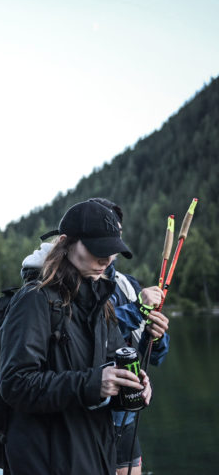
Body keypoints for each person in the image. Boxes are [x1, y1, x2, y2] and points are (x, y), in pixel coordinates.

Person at [0, 200, 152, 475]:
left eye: (111, 251)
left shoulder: (101, 306)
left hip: (95, 457)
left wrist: (133, 386)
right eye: (97, 250)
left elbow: (111, 371)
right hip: (45, 461)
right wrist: (93, 384)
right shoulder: (34, 300)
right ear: (66, 243)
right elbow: (15, 384)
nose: (106, 260)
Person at [87, 198, 170, 475]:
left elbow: (154, 357)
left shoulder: (127, 284)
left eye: (118, 232)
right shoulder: (76, 284)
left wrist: (155, 336)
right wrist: (137, 310)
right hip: (84, 420)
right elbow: (91, 333)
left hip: (125, 416)